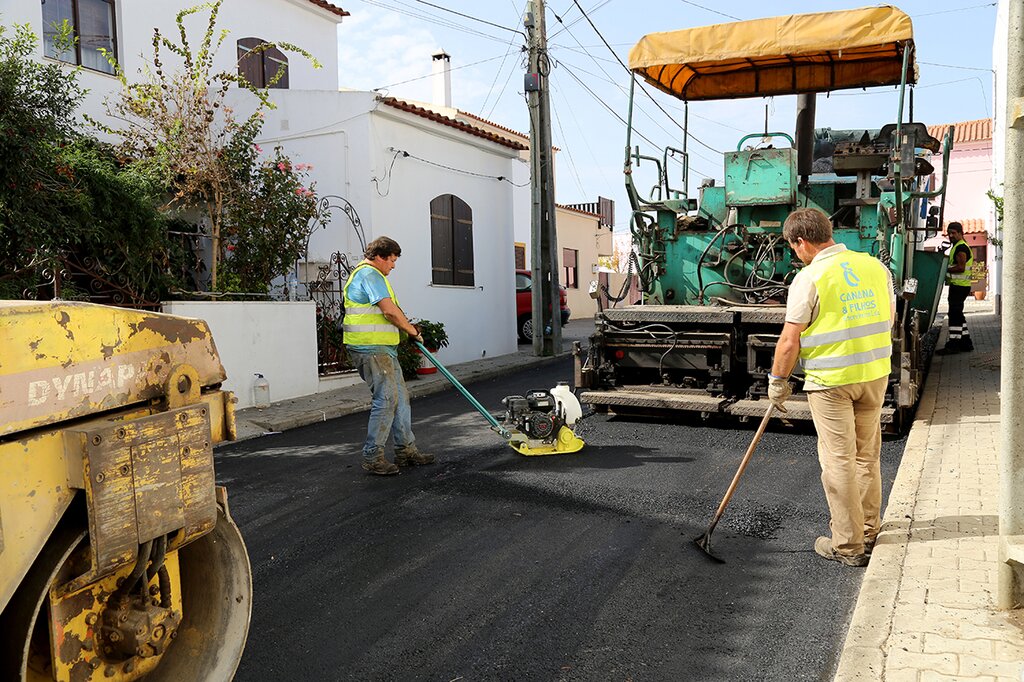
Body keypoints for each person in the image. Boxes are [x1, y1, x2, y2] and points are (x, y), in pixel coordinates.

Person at [767, 208, 895, 567]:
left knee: (838, 462)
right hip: (873, 374)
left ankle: (848, 546)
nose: (796, 255)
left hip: (831, 384)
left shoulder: (810, 278)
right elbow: (888, 320)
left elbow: (790, 341)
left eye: (794, 249)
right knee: (866, 456)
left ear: (802, 242)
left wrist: (777, 382)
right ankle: (869, 530)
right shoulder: (875, 267)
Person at [343, 236, 435, 475]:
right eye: (392, 260)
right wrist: (412, 330)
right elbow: (389, 312)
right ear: (380, 257)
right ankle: (373, 456)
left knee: (400, 399)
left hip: (383, 349)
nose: (393, 265)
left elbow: (390, 313)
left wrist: (408, 330)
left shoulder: (374, 276)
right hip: (370, 348)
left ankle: (406, 450)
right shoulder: (370, 275)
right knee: (386, 399)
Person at [936, 221, 975, 354]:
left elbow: (960, 267)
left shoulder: (960, 248)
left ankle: (954, 344)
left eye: (953, 233)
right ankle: (966, 342)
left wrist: (944, 269)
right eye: (949, 233)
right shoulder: (958, 246)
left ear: (960, 233)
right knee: (958, 313)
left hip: (959, 286)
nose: (951, 235)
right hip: (960, 286)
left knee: (954, 314)